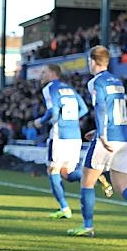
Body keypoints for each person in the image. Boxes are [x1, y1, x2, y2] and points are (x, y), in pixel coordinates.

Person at [67, 46, 127, 238]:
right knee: (121, 186)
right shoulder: (117, 81)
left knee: (87, 181)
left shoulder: (95, 82)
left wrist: (101, 133)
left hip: (106, 138)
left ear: (92, 61)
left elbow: (101, 107)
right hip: (122, 138)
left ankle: (88, 226)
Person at [34, 64, 108, 219]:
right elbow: (84, 109)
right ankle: (94, 176)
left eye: (44, 72)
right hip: (75, 135)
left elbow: (52, 111)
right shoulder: (70, 89)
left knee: (52, 170)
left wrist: (41, 121)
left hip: (60, 134)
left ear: (53, 73)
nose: (42, 75)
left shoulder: (49, 88)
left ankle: (64, 208)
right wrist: (72, 120)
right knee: (66, 173)